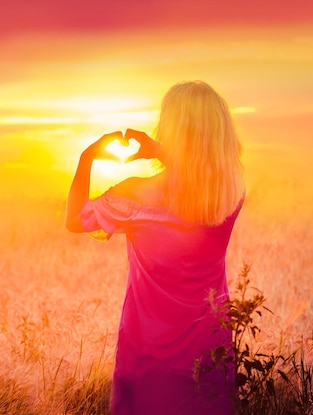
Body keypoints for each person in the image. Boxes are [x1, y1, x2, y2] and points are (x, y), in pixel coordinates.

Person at [66, 81, 245, 414]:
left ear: (170, 130)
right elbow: (199, 178)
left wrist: (87, 157)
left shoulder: (135, 194)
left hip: (146, 357)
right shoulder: (229, 194)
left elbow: (75, 220)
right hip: (210, 354)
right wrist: (165, 154)